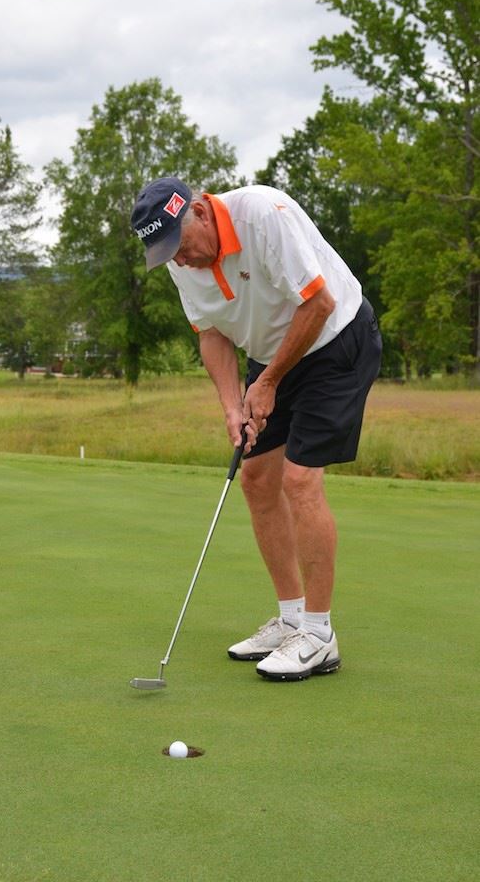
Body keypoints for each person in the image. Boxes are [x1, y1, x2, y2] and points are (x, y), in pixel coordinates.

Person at [130, 176, 382, 681]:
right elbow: (212, 334)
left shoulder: (264, 214)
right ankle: (290, 620)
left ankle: (319, 634)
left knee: (299, 479)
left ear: (200, 211)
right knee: (257, 479)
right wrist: (231, 405)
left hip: (335, 342)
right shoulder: (181, 260)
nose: (179, 261)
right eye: (166, 256)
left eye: (180, 247)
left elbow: (319, 304)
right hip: (271, 354)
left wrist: (266, 384)